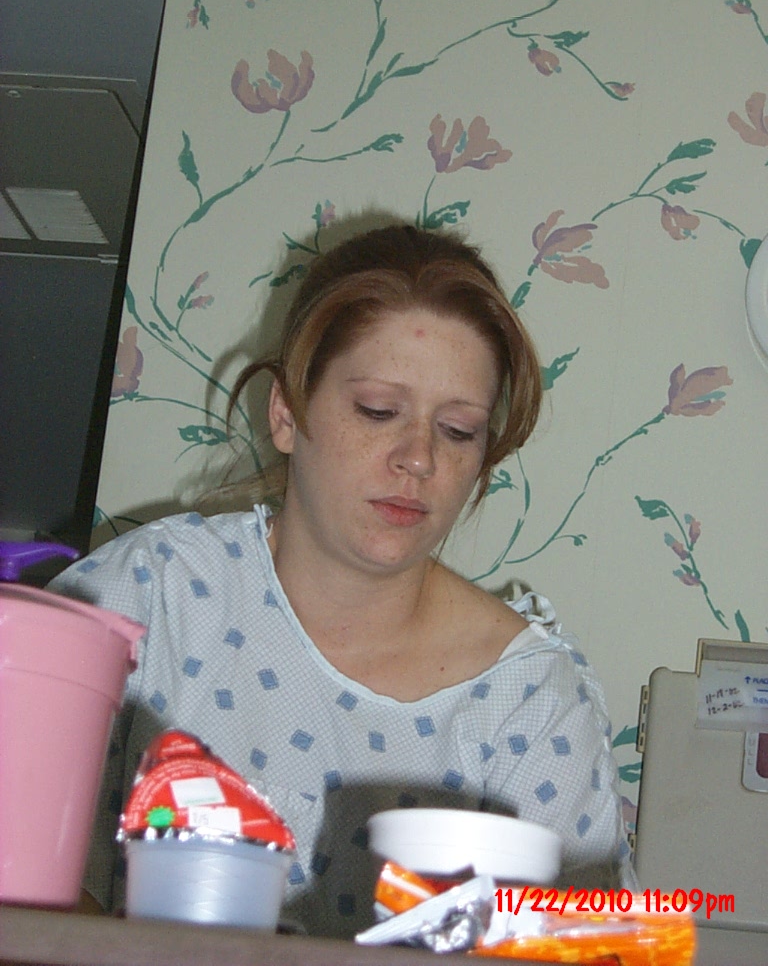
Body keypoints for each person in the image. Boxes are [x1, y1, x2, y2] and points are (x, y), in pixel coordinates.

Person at [50, 221, 633, 938]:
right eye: (378, 411)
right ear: (286, 413)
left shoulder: (532, 705)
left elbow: (587, 946)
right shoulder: (144, 598)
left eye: (458, 430)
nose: (418, 457)